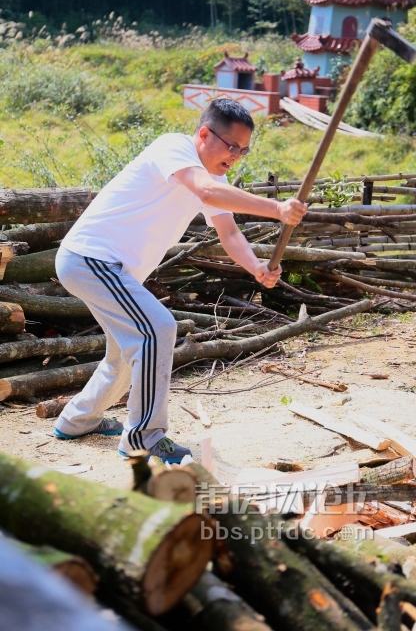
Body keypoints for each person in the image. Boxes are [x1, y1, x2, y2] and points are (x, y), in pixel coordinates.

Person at [53, 98, 307, 463]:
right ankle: (145, 436)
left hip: (112, 270)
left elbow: (229, 232)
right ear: (204, 134)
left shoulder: (214, 178)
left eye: (244, 150)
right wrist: (277, 209)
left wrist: (256, 266)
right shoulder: (174, 148)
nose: (236, 155)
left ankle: (77, 420)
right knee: (157, 330)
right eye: (232, 146)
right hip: (90, 260)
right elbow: (204, 191)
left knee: (122, 354)